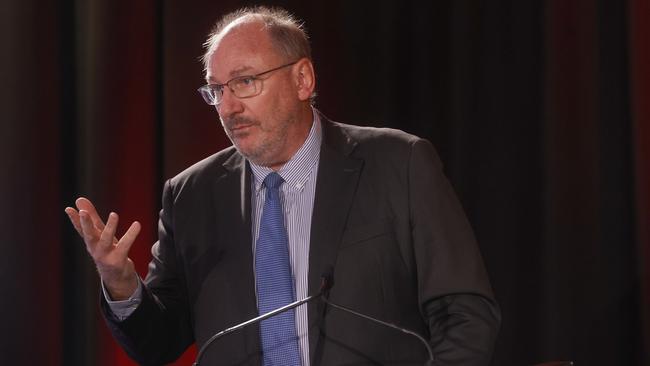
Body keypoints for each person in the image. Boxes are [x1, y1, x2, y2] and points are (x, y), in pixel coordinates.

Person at [65, 6, 500, 366]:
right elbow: (158, 345)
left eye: (245, 82)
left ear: (302, 79)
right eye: (216, 90)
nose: (228, 106)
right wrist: (122, 286)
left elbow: (466, 315)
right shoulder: (191, 195)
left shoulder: (398, 164)